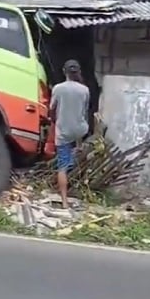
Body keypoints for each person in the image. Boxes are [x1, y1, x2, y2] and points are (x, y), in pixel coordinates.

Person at [49, 59, 90, 209]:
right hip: (80, 129)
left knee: (62, 167)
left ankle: (65, 202)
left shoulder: (58, 89)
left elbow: (52, 109)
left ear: (64, 72)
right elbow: (84, 112)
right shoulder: (85, 90)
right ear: (78, 72)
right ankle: (78, 148)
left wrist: (54, 121)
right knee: (77, 133)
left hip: (64, 132)